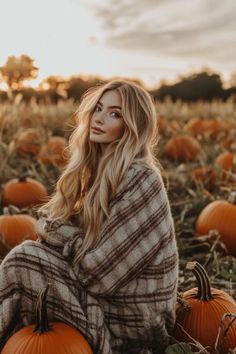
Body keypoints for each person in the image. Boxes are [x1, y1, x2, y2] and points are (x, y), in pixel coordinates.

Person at [0, 79, 179, 354]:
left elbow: (100, 275)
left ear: (133, 125)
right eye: (98, 108)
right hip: (103, 305)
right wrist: (60, 235)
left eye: (115, 114)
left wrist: (60, 235)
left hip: (131, 328)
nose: (100, 118)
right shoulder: (99, 175)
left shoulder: (143, 180)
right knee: (29, 259)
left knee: (25, 259)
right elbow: (66, 241)